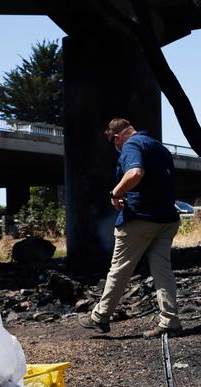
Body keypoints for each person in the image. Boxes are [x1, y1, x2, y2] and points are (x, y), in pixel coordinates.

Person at [78, 118, 182, 338]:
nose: (117, 149)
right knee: (162, 271)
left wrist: (116, 192)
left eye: (115, 145)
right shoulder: (158, 147)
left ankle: (100, 316)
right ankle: (170, 321)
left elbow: (136, 173)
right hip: (167, 219)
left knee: (120, 269)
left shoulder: (132, 145)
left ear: (117, 137)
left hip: (141, 218)